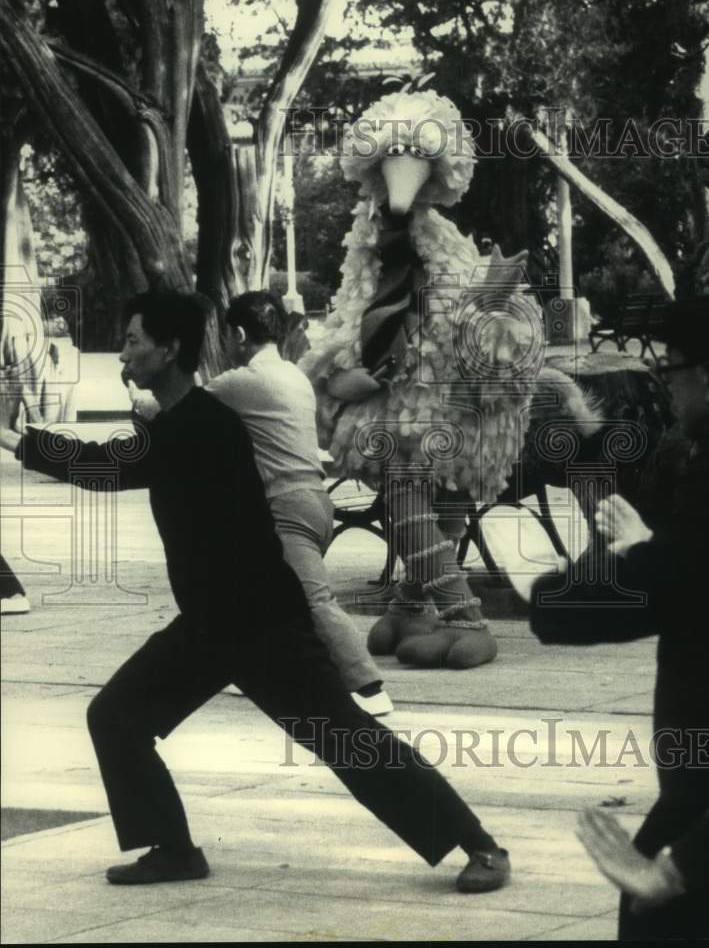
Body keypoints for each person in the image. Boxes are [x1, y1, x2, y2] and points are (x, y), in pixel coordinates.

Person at [0, 291, 509, 893]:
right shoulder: (181, 423)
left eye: (135, 341)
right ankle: (173, 850)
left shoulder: (201, 425)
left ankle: (480, 846)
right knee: (117, 717)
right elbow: (111, 462)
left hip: (263, 621)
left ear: (169, 350)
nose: (125, 353)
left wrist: (10, 438)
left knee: (345, 738)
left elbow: (103, 465)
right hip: (211, 626)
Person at [515, 295, 709, 940]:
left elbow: (677, 584)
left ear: (708, 376)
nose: (667, 391)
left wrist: (548, 599)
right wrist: (649, 549)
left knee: (661, 904)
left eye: (670, 374)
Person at [205, 291, 392, 716]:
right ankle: (249, 669)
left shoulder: (242, 382)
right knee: (253, 591)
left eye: (224, 337)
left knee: (313, 599)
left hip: (285, 507)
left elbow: (178, 409)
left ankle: (368, 688)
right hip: (313, 501)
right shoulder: (293, 376)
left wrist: (141, 402)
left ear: (237, 334)